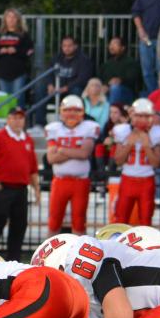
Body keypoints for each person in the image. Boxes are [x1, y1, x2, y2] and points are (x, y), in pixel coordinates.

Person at [0, 106, 38, 260]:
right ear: (8, 119)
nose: (18, 121)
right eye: (14, 117)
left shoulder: (27, 140)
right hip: (2, 188)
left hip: (21, 189)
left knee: (19, 225)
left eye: (20, 118)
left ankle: (14, 260)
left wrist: (36, 190)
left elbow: (32, 168)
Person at [45, 95, 99, 234]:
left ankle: (79, 253)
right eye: (68, 110)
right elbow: (51, 158)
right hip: (60, 181)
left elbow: (84, 154)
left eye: (76, 110)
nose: (72, 114)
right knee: (54, 220)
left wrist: (62, 150)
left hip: (80, 181)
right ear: (61, 111)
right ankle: (48, 253)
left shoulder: (89, 127)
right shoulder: (54, 128)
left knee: (79, 220)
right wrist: (75, 151)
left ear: (82, 112)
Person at [108, 98, 160, 226]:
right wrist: (129, 144)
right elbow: (118, 160)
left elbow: (156, 163)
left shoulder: (157, 133)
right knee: (120, 219)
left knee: (146, 220)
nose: (141, 120)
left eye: (145, 116)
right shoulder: (122, 131)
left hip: (146, 181)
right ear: (131, 115)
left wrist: (146, 145)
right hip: (127, 179)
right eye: (138, 116)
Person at [0, 9, 34, 105]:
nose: (11, 19)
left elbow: (29, 51)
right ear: (5, 19)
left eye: (14, 17)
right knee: (5, 101)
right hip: (3, 73)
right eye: (9, 17)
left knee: (18, 99)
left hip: (18, 72)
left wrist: (16, 51)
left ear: (18, 20)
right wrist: (0, 51)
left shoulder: (24, 35)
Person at [47, 35, 94, 113]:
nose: (66, 48)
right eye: (64, 46)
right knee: (40, 89)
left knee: (76, 90)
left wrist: (66, 88)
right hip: (57, 88)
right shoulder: (56, 58)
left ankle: (76, 117)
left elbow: (82, 79)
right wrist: (50, 85)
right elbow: (49, 73)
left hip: (72, 88)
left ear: (75, 46)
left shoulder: (84, 59)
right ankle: (40, 122)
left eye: (69, 46)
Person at [99, 36, 142, 107]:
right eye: (110, 44)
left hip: (125, 92)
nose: (111, 46)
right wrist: (105, 85)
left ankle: (111, 113)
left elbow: (132, 78)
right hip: (108, 90)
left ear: (123, 47)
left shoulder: (130, 62)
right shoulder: (107, 64)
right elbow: (100, 78)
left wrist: (120, 80)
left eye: (115, 44)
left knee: (115, 88)